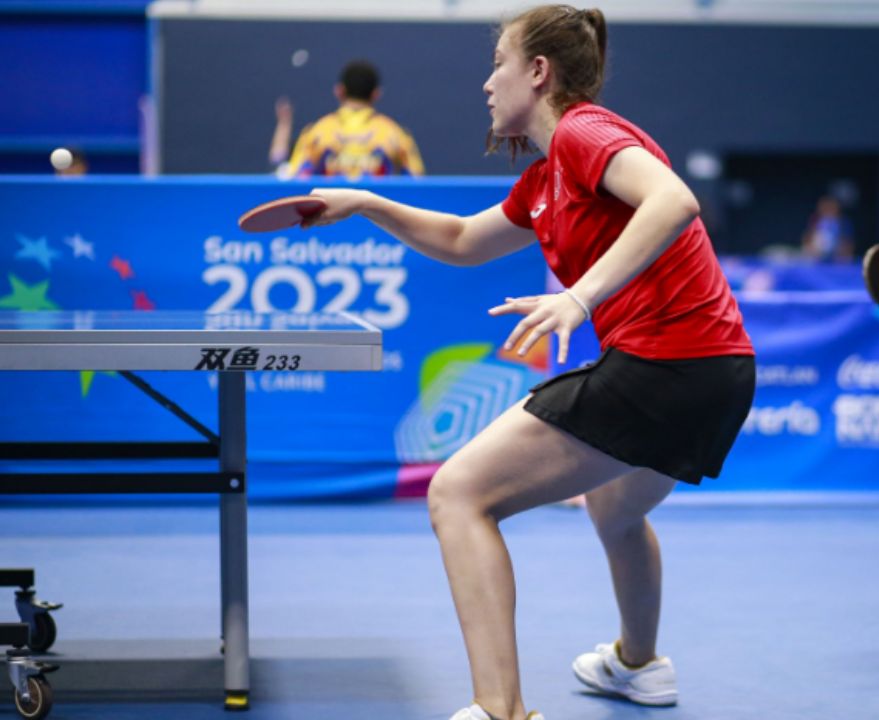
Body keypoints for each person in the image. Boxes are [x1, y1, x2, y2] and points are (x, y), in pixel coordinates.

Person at [301, 6, 755, 719]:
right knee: (614, 506)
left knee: (459, 494)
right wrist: (364, 202)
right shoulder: (545, 180)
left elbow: (674, 200)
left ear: (538, 72)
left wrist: (578, 298)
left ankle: (499, 709)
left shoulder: (583, 131)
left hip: (667, 363)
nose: (487, 83)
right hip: (717, 373)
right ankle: (640, 664)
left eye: (499, 64)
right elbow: (457, 239)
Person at [276, 60, 426, 180]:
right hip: (377, 216)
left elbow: (296, 181)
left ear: (339, 91)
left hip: (329, 216)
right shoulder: (395, 134)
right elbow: (417, 183)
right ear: (376, 94)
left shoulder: (317, 132)